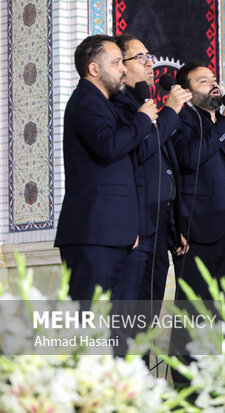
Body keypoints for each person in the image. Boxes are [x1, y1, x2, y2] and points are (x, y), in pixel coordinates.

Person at [55, 35, 157, 300]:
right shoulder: (86, 101)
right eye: (115, 62)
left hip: (112, 233)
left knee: (112, 329)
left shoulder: (102, 104)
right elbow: (109, 145)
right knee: (90, 325)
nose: (123, 68)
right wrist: (144, 119)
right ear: (94, 68)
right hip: (93, 234)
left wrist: (128, 228)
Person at [112, 33, 192, 302]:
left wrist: (174, 225)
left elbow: (167, 171)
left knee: (149, 317)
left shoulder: (148, 107)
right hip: (135, 228)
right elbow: (140, 151)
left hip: (159, 226)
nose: (149, 63)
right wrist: (170, 112)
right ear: (120, 67)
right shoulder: (119, 107)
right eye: (140, 57)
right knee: (128, 318)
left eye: (150, 57)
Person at [172, 61, 225, 301]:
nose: (213, 84)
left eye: (213, 79)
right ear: (186, 92)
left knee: (223, 308)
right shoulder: (182, 118)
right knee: (194, 310)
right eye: (203, 81)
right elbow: (190, 157)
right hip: (197, 228)